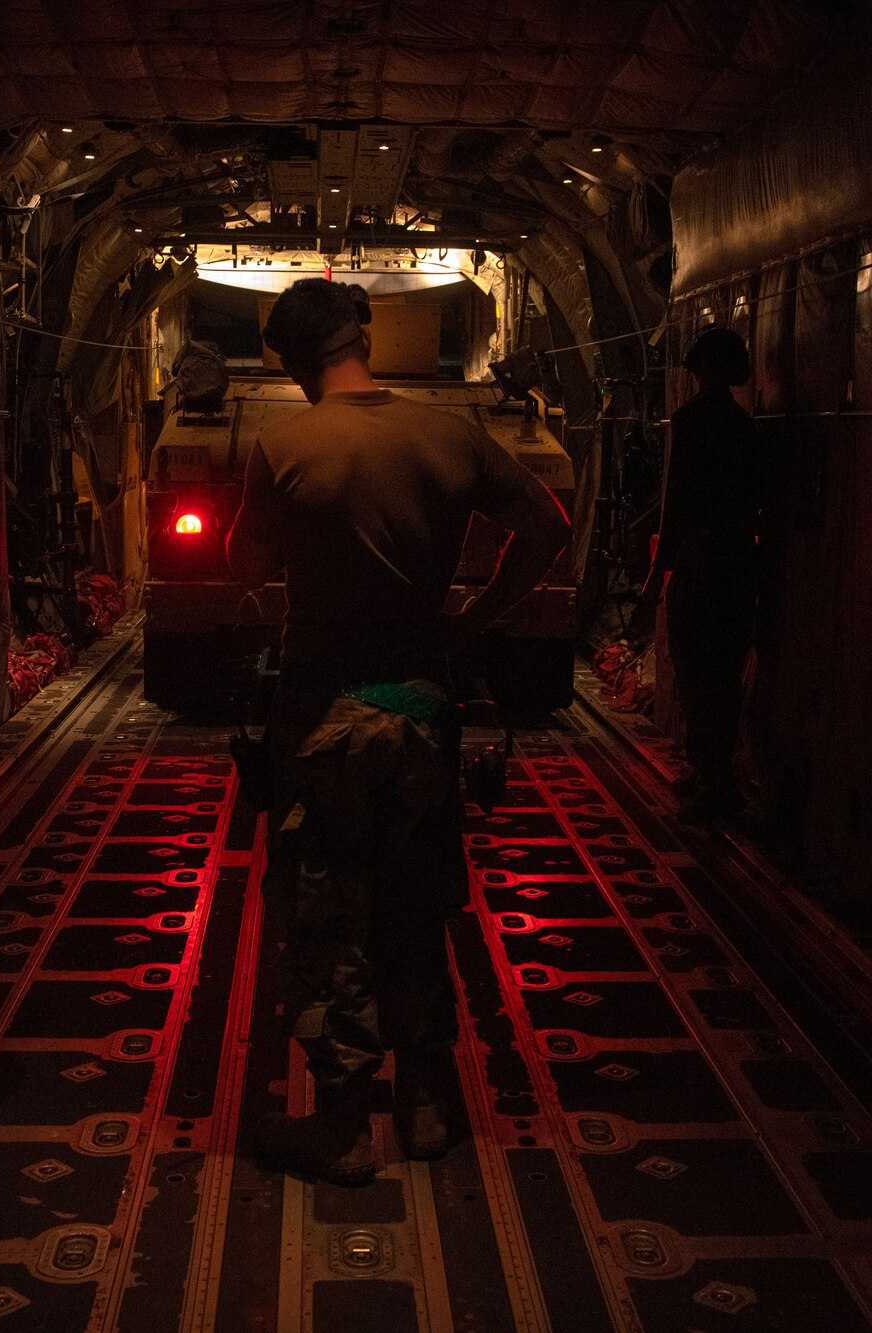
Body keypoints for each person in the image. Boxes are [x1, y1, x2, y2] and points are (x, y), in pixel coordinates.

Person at [228, 279, 570, 1185]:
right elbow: (547, 526)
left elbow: (247, 563)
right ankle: (424, 1105)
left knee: (330, 917)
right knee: (419, 904)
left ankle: (342, 1125)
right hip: (424, 708)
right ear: (366, 335)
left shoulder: (282, 445)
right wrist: (478, 616)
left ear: (291, 364)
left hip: (324, 713)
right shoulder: (451, 435)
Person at [635, 326, 766, 822]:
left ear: (701, 370)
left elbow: (678, 505)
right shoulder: (746, 428)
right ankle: (717, 774)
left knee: (693, 674)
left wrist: (655, 578)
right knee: (725, 678)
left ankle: (710, 779)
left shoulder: (690, 422)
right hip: (739, 569)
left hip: (699, 567)